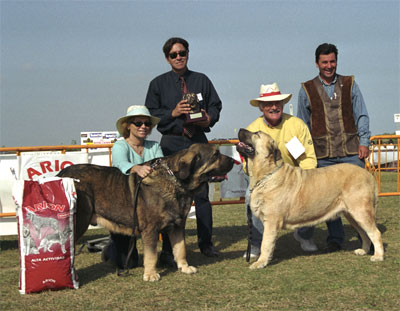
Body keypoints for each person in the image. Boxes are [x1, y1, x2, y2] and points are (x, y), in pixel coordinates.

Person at [145, 37, 222, 266]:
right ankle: (169, 250)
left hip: (198, 141)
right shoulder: (157, 84)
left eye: (182, 53)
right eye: (173, 54)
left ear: (188, 54)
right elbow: (152, 115)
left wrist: (210, 117)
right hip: (171, 144)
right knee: (171, 199)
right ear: (167, 58)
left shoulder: (201, 80)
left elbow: (216, 105)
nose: (179, 57)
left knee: (202, 196)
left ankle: (206, 244)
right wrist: (174, 112)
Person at [295, 43, 371, 253]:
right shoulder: (306, 89)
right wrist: (302, 155)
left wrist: (364, 142)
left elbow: (361, 114)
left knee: (359, 197)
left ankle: (366, 238)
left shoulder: (350, 83)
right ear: (317, 63)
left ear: (337, 61)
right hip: (322, 155)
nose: (329, 66)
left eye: (332, 61)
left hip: (351, 152)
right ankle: (336, 238)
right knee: (329, 199)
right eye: (324, 62)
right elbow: (302, 125)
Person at [244, 82, 318, 258]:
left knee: (313, 191)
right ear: (261, 107)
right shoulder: (252, 130)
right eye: (269, 104)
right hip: (264, 180)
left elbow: (308, 158)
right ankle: (257, 243)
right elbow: (248, 166)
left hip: (294, 177)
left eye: (277, 103)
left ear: (283, 104)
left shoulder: (297, 125)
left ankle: (304, 235)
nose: (274, 107)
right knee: (249, 196)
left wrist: (304, 179)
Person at [101, 105, 163, 271]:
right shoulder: (120, 146)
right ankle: (111, 248)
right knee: (128, 264)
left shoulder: (154, 146)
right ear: (127, 125)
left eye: (147, 123)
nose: (143, 126)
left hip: (149, 204)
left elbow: (161, 167)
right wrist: (137, 168)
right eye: (138, 123)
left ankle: (169, 255)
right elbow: (120, 164)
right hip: (122, 205)